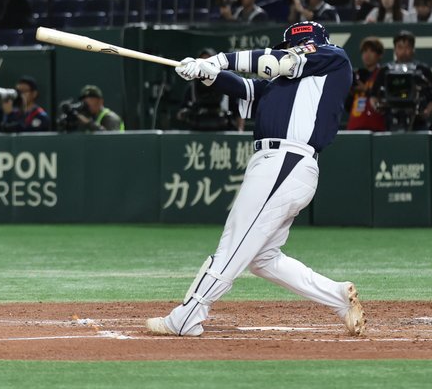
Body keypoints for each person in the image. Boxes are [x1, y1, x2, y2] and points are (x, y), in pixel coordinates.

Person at [153, 22, 365, 337]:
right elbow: (247, 89)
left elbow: (278, 61)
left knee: (234, 244)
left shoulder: (331, 58)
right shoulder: (285, 83)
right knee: (263, 258)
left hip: (286, 161)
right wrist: (205, 72)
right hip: (278, 165)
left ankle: (188, 315)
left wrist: (220, 60)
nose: (283, 52)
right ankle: (337, 296)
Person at [392, 30, 432, 129]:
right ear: (395, 50)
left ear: (413, 49)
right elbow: (375, 95)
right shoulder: (387, 70)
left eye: (407, 47)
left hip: (418, 120)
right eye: (400, 47)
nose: (404, 51)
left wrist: (426, 112)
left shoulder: (423, 70)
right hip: (392, 120)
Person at [345, 38, 387, 131]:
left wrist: (365, 90)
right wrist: (351, 92)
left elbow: (385, 100)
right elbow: (348, 106)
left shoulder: (384, 74)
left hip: (375, 127)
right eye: (364, 51)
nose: (367, 54)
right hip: (355, 126)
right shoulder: (358, 75)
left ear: (379, 55)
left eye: (371, 51)